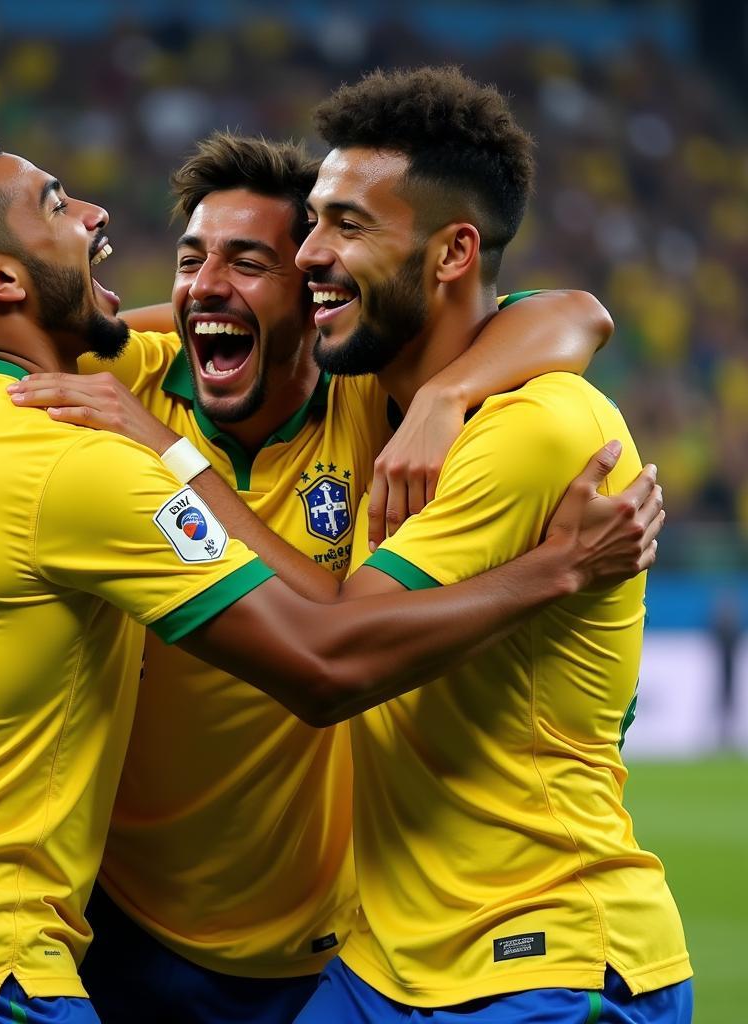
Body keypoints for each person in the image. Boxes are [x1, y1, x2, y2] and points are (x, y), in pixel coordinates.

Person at [0, 118, 660, 1024]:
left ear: (315, 291)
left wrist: (447, 395)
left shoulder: (362, 395)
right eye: (191, 259)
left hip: (311, 946)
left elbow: (575, 313)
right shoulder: (118, 394)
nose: (207, 287)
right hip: (111, 926)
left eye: (250, 263)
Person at [283, 67, 691, 1023]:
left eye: (347, 224)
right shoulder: (361, 384)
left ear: (453, 250)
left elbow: (336, 656)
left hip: (542, 954)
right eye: (312, 221)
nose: (308, 252)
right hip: (388, 955)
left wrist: (173, 466)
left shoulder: (536, 427)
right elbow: (578, 310)